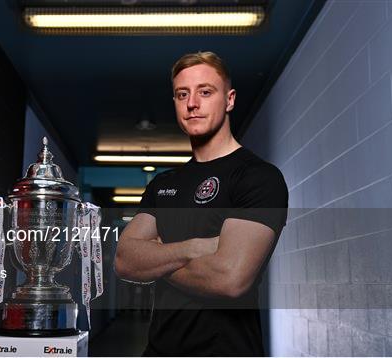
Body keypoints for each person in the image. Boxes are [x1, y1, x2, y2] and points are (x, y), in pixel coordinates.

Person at [114, 51, 288, 356]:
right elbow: (125, 261)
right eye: (183, 94)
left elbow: (229, 278)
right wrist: (195, 248)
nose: (192, 103)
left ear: (230, 100)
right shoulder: (163, 184)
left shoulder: (258, 177)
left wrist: (156, 258)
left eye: (205, 92)